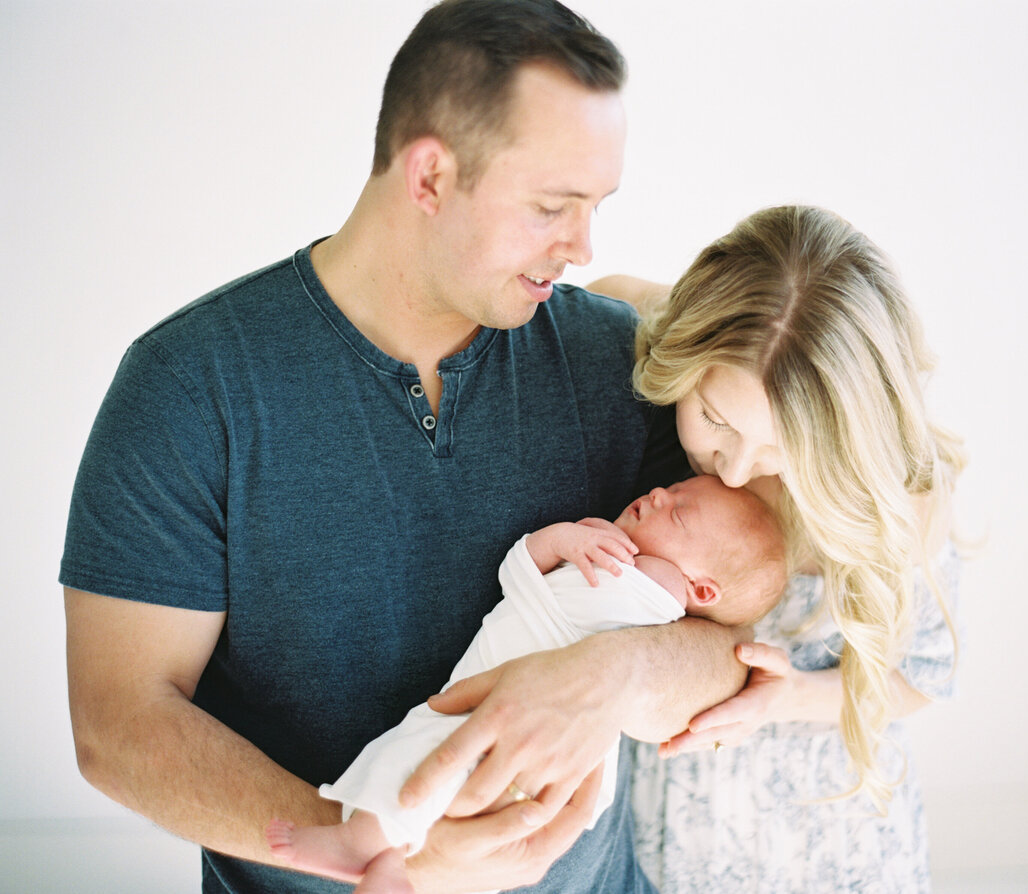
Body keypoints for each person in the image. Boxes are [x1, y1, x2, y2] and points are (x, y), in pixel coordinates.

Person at [59, 3, 752, 892]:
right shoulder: (190, 385)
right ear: (429, 176)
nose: (583, 247)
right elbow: (120, 722)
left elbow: (730, 629)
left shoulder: (617, 360)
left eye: (594, 208)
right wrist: (365, 846)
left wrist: (606, 674)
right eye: (553, 207)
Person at [590, 204, 967, 893]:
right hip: (667, 832)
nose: (731, 469)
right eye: (713, 420)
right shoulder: (636, 326)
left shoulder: (894, 501)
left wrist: (786, 698)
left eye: (778, 451)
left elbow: (921, 679)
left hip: (828, 842)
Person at [267, 475, 787, 892]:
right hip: (515, 710)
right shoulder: (611, 550)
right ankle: (387, 863)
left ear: (701, 588)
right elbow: (522, 581)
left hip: (534, 726)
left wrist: (561, 543)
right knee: (430, 767)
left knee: (427, 759)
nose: (657, 493)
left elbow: (718, 640)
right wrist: (563, 540)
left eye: (677, 511)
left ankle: (362, 843)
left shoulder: (658, 590)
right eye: (671, 488)